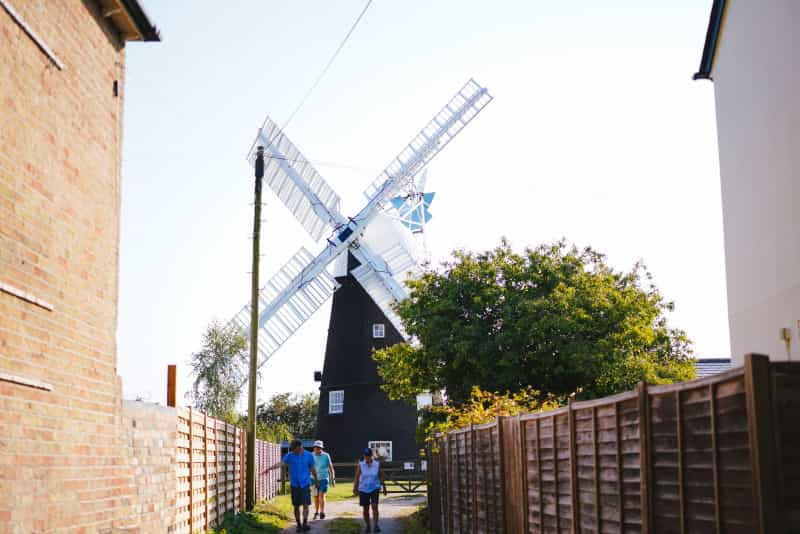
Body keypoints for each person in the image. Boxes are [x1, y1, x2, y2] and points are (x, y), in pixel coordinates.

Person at [282, 440, 317, 532]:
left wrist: (316, 481)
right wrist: (270, 469)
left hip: (305, 484)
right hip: (295, 484)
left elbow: (313, 468)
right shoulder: (290, 455)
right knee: (296, 506)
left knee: (306, 504)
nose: (293, 450)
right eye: (292, 449)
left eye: (294, 449)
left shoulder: (309, 455)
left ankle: (305, 523)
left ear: (300, 447)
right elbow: (282, 463)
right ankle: (298, 524)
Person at [352, 447, 387, 533]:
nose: (367, 458)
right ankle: (368, 525)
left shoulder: (377, 464)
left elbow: (381, 476)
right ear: (364, 456)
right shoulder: (361, 465)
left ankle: (375, 525)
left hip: (374, 487)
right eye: (366, 456)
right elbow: (357, 477)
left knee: (374, 506)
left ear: (372, 456)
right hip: (364, 489)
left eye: (369, 456)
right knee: (365, 509)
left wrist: (384, 487)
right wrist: (355, 487)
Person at [312, 440, 335, 520]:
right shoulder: (311, 456)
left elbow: (331, 467)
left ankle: (322, 512)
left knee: (321, 495)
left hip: (324, 479)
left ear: (321, 448)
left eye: (318, 448)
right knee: (315, 496)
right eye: (315, 448)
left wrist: (333, 479)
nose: (317, 449)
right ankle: (316, 512)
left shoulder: (326, 456)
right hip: (314, 479)